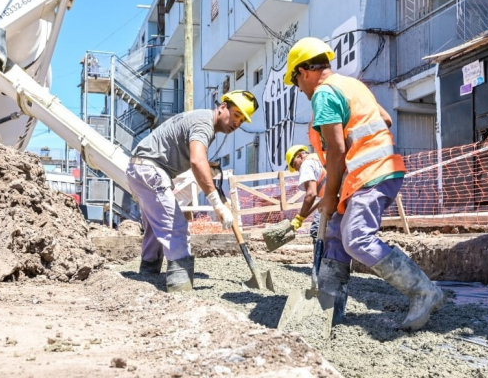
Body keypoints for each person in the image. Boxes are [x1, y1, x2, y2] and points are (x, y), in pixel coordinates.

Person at [284, 37, 443, 330]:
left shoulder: (323, 93)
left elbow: (336, 150)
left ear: (304, 71)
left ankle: (424, 291)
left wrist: (330, 195)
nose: (300, 90)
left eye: (297, 83)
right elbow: (384, 118)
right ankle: (328, 307)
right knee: (333, 234)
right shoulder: (352, 85)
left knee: (356, 238)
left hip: (371, 174)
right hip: (362, 175)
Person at [126, 90, 259, 293]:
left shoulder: (202, 120)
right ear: (223, 107)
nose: (237, 123)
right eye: (236, 115)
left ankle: (148, 271)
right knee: (175, 224)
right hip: (149, 168)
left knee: (156, 225)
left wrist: (208, 166)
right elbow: (197, 161)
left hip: (144, 167)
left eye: (241, 121)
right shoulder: (204, 124)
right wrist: (216, 203)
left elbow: (195, 158)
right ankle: (180, 286)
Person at [285, 144, 325, 243]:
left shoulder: (306, 164)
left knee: (317, 230)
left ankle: (320, 259)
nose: (296, 169)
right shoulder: (318, 157)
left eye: (294, 165)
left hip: (332, 201)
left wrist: (299, 218)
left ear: (299, 155)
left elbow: (311, 193)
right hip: (335, 198)